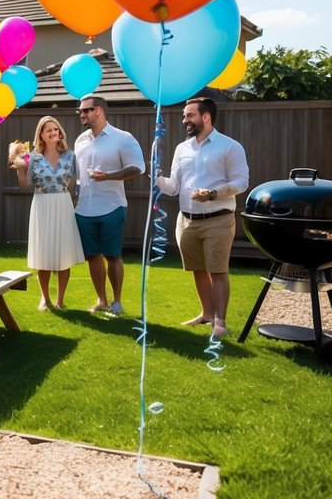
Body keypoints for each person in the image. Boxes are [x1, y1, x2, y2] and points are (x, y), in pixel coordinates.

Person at [155, 97, 249, 339]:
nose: (185, 120)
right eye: (185, 116)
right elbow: (174, 186)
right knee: (197, 269)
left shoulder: (230, 146)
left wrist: (214, 194)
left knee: (217, 271)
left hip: (218, 219)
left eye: (190, 115)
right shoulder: (181, 149)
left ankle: (220, 322)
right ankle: (206, 314)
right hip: (186, 221)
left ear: (205, 116)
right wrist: (157, 179)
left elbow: (241, 182)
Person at [73, 95, 145, 316]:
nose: (82, 114)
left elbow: (138, 167)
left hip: (112, 207)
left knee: (113, 256)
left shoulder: (123, 138)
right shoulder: (80, 141)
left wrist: (108, 176)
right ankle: (101, 300)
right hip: (83, 209)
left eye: (86, 110)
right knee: (92, 256)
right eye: (80, 111)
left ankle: (117, 302)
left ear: (100, 110)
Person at [11, 115, 86, 310]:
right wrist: (20, 168)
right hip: (41, 205)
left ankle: (60, 300)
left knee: (64, 254)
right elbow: (25, 185)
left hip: (63, 204)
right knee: (42, 254)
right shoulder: (32, 157)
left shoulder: (71, 156)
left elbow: (75, 185)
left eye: (56, 129)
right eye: (49, 130)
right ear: (41, 135)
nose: (54, 133)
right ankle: (45, 299)